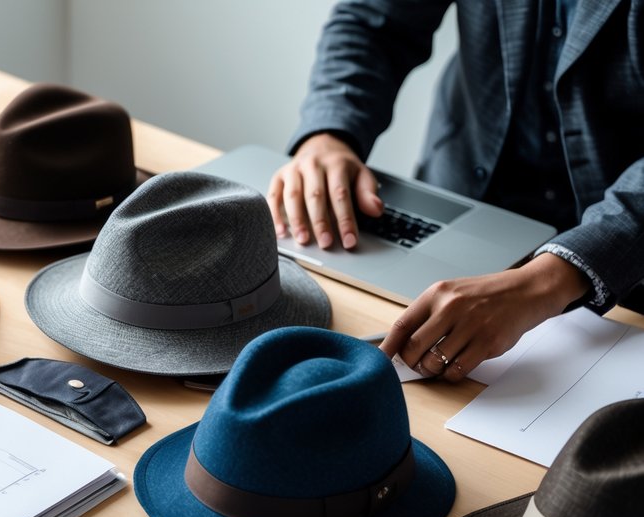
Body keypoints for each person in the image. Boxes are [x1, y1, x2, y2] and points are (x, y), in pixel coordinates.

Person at [267, 0, 644, 380]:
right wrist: (328, 134)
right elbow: (375, 21)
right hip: (460, 203)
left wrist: (549, 279)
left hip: (626, 260)